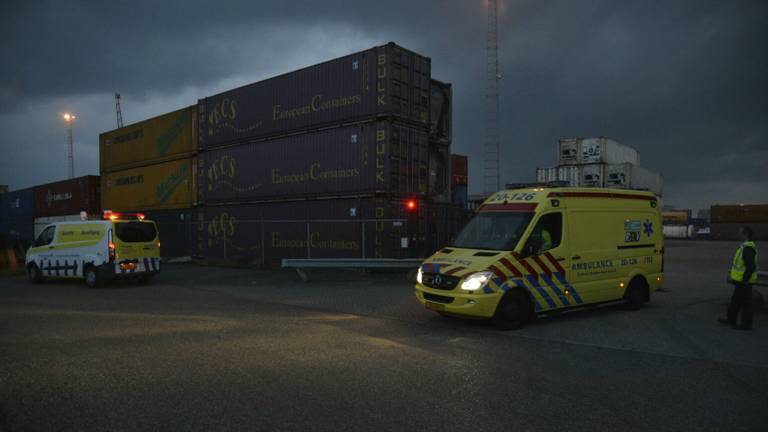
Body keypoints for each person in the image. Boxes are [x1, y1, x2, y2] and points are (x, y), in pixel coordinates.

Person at [719, 226, 758, 330]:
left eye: (740, 232)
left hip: (744, 281)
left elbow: (750, 266)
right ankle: (730, 319)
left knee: (746, 304)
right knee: (735, 301)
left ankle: (746, 325)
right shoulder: (744, 247)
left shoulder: (748, 248)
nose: (738, 234)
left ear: (745, 234)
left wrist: (745, 279)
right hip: (740, 280)